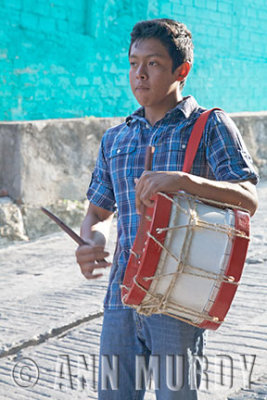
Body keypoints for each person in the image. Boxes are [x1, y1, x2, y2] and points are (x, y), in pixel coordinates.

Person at [76, 18, 258, 399]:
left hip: (179, 297)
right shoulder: (116, 138)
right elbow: (98, 214)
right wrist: (90, 241)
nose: (139, 74)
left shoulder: (210, 126)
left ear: (182, 70)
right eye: (133, 63)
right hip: (120, 299)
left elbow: (248, 196)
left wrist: (183, 181)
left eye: (153, 64)